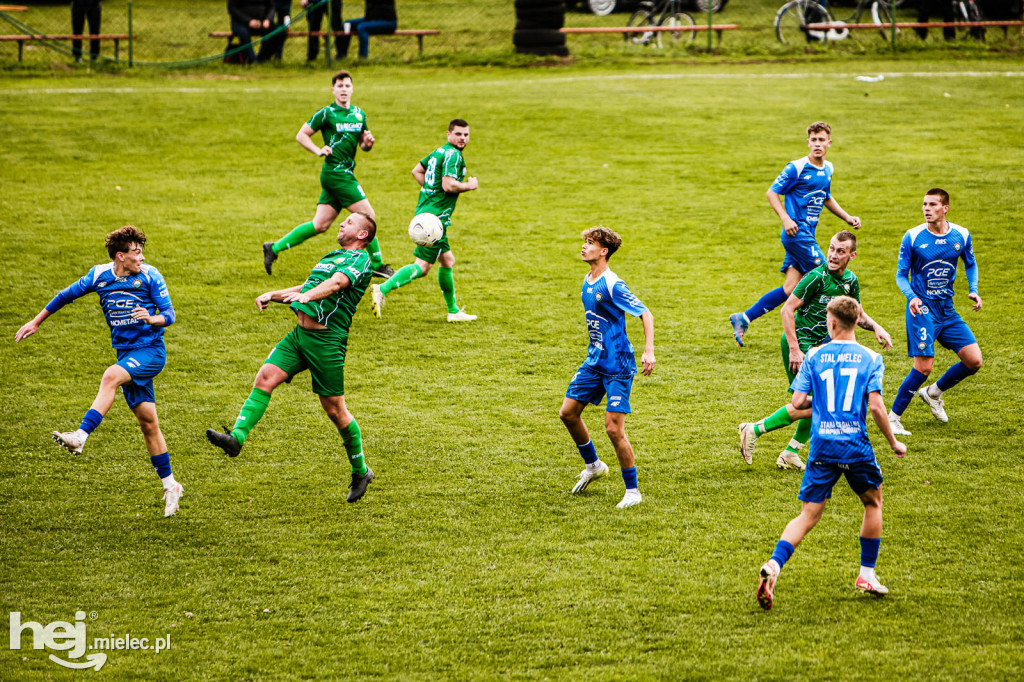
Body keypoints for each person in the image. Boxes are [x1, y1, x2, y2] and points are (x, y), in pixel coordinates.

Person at [207, 213, 378, 504]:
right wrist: (273, 294)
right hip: (299, 336)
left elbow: (335, 284)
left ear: (362, 235)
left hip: (327, 342)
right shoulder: (332, 255)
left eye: (349, 222)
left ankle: (360, 471)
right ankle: (236, 438)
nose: (341, 223)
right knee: (265, 377)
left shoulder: (360, 261)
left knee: (336, 411)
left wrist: (309, 297)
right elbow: (307, 286)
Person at [14, 226, 184, 518]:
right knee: (148, 424)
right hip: (126, 354)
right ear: (121, 256)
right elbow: (65, 295)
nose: (141, 257)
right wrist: (37, 321)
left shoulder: (150, 275)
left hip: (151, 353)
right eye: (136, 252)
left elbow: (170, 315)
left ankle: (80, 436)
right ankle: (171, 485)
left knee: (110, 376)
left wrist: (151, 317)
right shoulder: (99, 276)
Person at [756, 296, 906, 611]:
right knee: (872, 501)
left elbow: (797, 404)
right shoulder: (870, 357)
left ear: (833, 322)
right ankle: (866, 574)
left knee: (808, 515)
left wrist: (822, 402)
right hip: (855, 446)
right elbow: (877, 407)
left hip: (822, 445)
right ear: (854, 323)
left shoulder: (814, 355)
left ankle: (774, 564)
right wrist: (893, 442)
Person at [738, 231, 892, 470]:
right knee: (813, 402)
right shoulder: (815, 278)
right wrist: (794, 350)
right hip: (800, 345)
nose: (832, 255)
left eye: (840, 251)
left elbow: (857, 314)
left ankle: (789, 452)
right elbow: (786, 310)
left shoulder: (851, 281)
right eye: (831, 249)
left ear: (852, 255)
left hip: (822, 350)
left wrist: (876, 328)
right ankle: (755, 429)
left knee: (818, 402)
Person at [729, 122, 860, 347]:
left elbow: (825, 196)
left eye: (822, 140)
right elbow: (772, 192)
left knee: (791, 288)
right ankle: (823, 332)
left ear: (829, 143)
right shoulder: (796, 168)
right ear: (808, 142)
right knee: (826, 276)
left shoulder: (828, 168)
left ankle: (744, 317)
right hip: (796, 234)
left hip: (807, 234)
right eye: (813, 140)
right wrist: (786, 218)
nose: (817, 144)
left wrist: (847, 217)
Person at [558, 227, 655, 510]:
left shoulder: (613, 284)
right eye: (585, 242)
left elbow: (646, 313)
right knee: (568, 413)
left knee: (613, 429)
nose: (584, 247)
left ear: (604, 251)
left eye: (590, 243)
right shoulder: (588, 280)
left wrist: (648, 350)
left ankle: (633, 491)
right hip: (595, 360)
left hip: (618, 364)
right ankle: (594, 465)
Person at [263, 71, 391, 279]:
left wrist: (368, 144)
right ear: (333, 89)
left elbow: (362, 144)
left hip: (344, 172)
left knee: (320, 225)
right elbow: (301, 134)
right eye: (339, 86)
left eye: (347, 86)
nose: (343, 90)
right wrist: (318, 150)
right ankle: (377, 264)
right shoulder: (326, 113)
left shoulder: (359, 114)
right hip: (336, 173)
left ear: (352, 88)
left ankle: (273, 248)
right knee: (368, 216)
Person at [887, 189, 982, 436]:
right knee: (924, 367)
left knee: (973, 360)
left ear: (945, 207)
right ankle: (893, 418)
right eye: (924, 205)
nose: (926, 209)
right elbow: (900, 275)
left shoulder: (961, 234)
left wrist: (973, 290)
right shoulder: (913, 237)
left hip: (947, 310)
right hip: (922, 309)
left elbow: (970, 264)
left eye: (932, 204)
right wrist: (912, 297)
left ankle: (933, 393)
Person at [370, 119, 478, 322]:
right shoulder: (453, 155)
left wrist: (431, 192)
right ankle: (382, 288)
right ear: (449, 134)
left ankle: (453, 311)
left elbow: (416, 170)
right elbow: (448, 185)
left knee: (447, 260)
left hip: (426, 212)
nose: (463, 138)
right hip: (434, 221)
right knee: (422, 266)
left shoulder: (439, 151)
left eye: (466, 135)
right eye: (458, 134)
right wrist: (469, 185)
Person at [227, 0, 275, 64]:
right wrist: (249, 21)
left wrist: (268, 19)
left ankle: (263, 58)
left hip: (262, 23)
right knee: (244, 33)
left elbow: (272, 7)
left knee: (281, 33)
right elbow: (232, 8)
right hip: (240, 23)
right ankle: (252, 60)